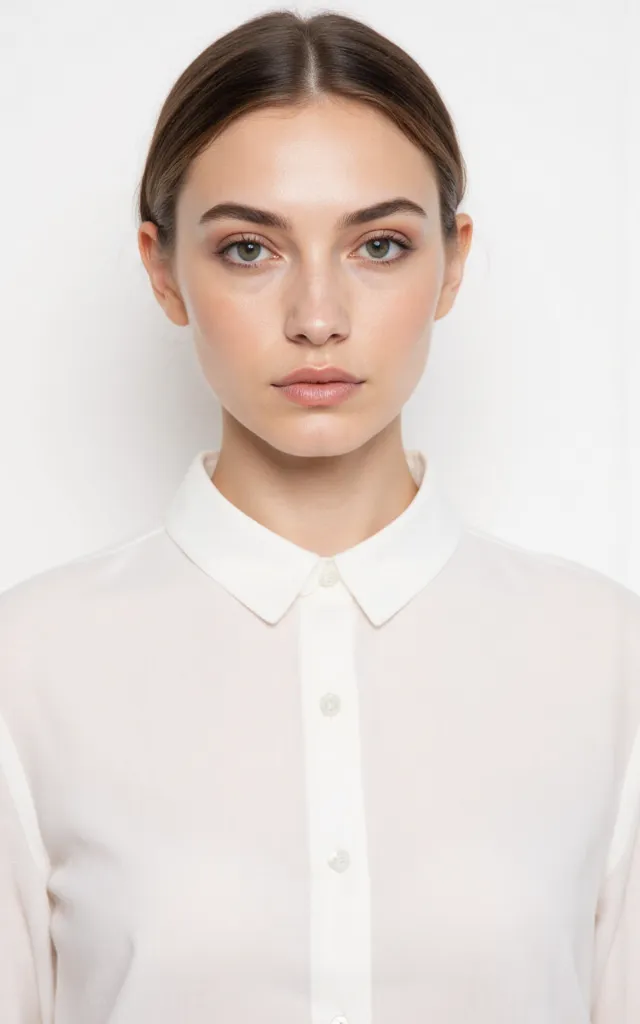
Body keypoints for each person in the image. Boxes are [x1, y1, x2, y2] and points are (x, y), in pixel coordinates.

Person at [0, 8, 638, 1024]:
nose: (316, 315)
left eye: (378, 245)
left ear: (453, 260)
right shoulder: (26, 666)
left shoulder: (609, 658)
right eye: (249, 249)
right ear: (162, 268)